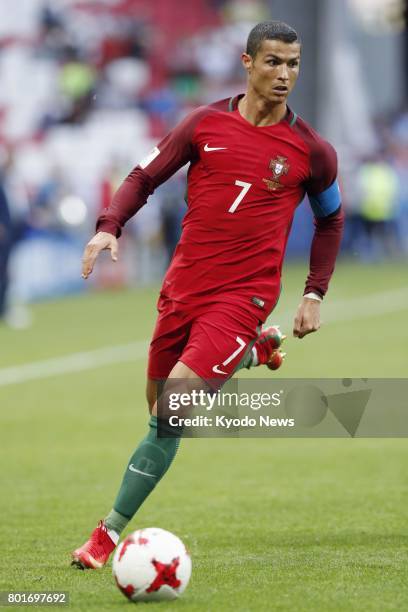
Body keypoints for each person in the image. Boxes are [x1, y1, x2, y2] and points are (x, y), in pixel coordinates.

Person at [72, 21, 344, 569]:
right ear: (246, 63)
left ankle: (106, 535)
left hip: (244, 295)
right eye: (272, 62)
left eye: (293, 63)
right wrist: (109, 225)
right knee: (158, 408)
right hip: (183, 288)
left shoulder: (312, 151)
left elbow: (331, 218)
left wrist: (314, 292)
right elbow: (144, 175)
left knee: (173, 409)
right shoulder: (203, 125)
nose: (284, 74)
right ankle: (250, 350)